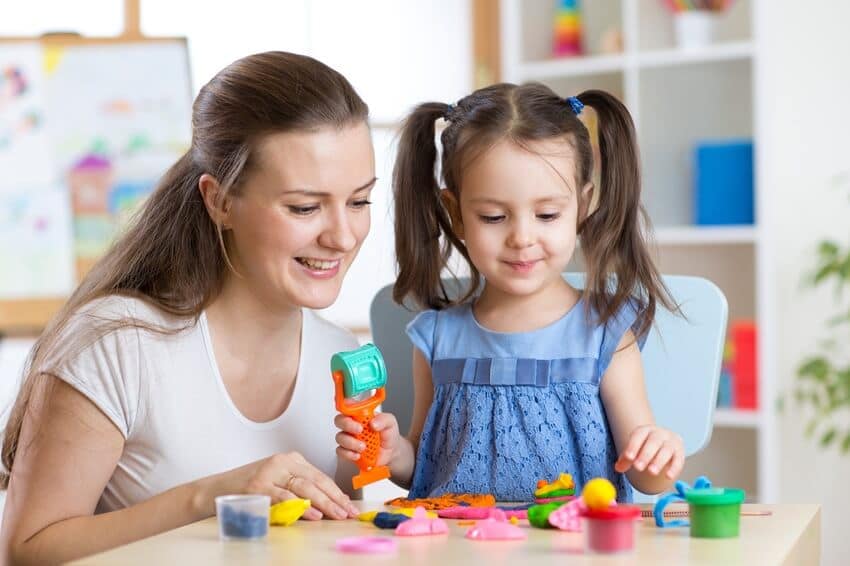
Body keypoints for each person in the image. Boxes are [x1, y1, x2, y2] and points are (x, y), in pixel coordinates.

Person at [1, 51, 374, 564]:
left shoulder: (339, 354)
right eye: (304, 207)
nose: (344, 235)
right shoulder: (116, 346)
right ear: (219, 201)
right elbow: (24, 551)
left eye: (359, 201)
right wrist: (210, 498)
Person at [335, 83, 685, 502]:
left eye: (547, 214)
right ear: (457, 214)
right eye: (494, 216)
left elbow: (646, 477)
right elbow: (423, 468)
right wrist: (394, 454)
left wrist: (658, 456)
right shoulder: (436, 339)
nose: (522, 237)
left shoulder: (604, 334)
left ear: (583, 205)